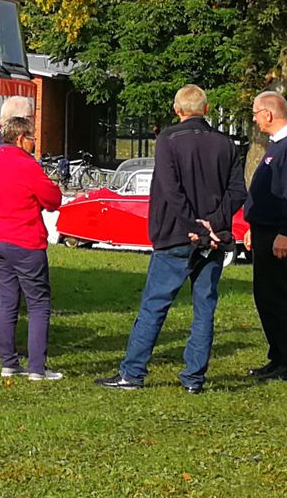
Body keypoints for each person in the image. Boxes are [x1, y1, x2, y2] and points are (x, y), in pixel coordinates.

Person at [95, 85, 245, 394]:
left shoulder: (167, 141)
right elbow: (237, 191)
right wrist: (213, 223)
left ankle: (133, 373)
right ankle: (194, 377)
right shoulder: (225, 144)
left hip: (177, 234)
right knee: (204, 308)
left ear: (177, 110)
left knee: (154, 306)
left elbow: (170, 189)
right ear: (206, 108)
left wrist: (194, 224)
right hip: (214, 237)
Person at [0, 115, 64, 381]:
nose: (34, 144)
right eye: (32, 139)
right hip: (24, 240)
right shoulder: (27, 166)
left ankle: (8, 362)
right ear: (20, 139)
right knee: (38, 303)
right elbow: (52, 199)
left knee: (7, 299)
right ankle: (37, 368)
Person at [242, 90, 287, 382]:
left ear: (269, 114)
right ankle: (277, 356)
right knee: (266, 295)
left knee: (279, 295)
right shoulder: (277, 145)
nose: (255, 119)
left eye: (256, 113)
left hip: (279, 233)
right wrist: (253, 224)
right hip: (265, 229)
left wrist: (285, 231)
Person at [0, 95, 37, 359]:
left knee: (8, 287)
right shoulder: (0, 154)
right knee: (5, 288)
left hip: (2, 230)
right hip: (5, 231)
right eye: (30, 120)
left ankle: (1, 343)